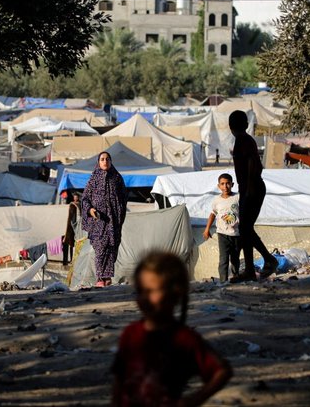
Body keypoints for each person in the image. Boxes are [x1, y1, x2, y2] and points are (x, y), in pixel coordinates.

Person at [112, 251, 232, 407]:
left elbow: (221, 371)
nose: (144, 298)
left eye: (151, 291)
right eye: (141, 291)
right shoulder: (131, 333)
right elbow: (119, 379)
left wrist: (192, 401)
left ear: (174, 293)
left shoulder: (183, 339)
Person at [229, 110, 278, 282]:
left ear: (230, 126)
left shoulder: (244, 141)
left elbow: (253, 164)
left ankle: (267, 260)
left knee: (245, 228)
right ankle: (252, 268)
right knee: (245, 228)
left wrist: (249, 189)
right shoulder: (243, 140)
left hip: (253, 187)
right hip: (249, 187)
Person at [82, 151, 127, 288]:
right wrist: (90, 210)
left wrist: (119, 212)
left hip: (113, 221)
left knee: (111, 249)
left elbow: (124, 197)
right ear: (98, 162)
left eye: (107, 159)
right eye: (102, 159)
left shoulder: (117, 178)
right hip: (98, 221)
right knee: (100, 248)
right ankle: (100, 277)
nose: (105, 161)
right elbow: (85, 199)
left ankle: (107, 278)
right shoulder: (93, 179)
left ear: (111, 161)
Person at [203, 173, 240, 283]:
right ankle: (223, 281)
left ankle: (235, 277)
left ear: (232, 184)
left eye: (228, 183)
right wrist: (207, 229)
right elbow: (213, 214)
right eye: (222, 184)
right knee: (223, 259)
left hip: (236, 234)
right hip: (222, 234)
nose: (225, 186)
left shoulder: (237, 197)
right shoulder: (217, 201)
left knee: (235, 258)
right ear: (219, 186)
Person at [62, 192, 81, 265]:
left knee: (76, 242)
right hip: (71, 225)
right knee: (70, 243)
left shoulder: (79, 204)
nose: (75, 198)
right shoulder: (71, 204)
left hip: (77, 225)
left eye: (76, 197)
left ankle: (75, 259)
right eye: (74, 197)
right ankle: (70, 259)